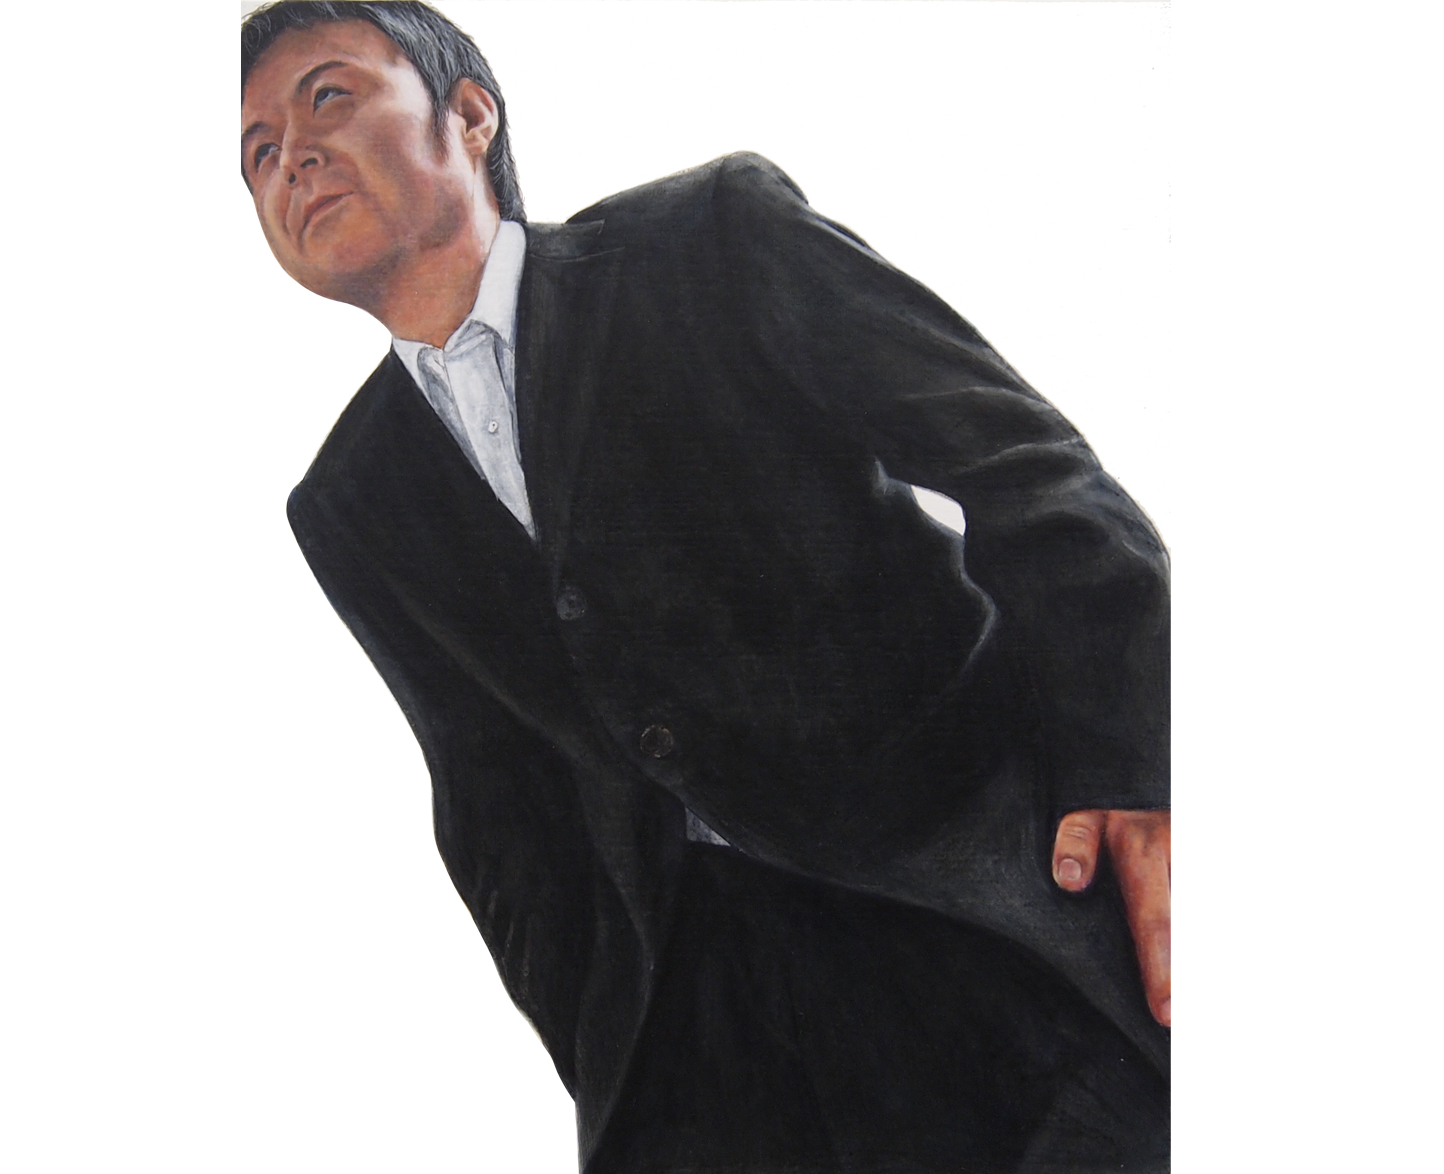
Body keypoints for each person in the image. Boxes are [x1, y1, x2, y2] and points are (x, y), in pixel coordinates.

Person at [240, 3, 1171, 1170]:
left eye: (327, 97)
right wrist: (609, 1054)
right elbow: (488, 802)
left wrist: (1137, 775)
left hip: (975, 917)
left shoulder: (708, 242)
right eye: (257, 153)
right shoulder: (349, 502)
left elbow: (1032, 479)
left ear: (470, 115)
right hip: (709, 1055)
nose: (292, 157)